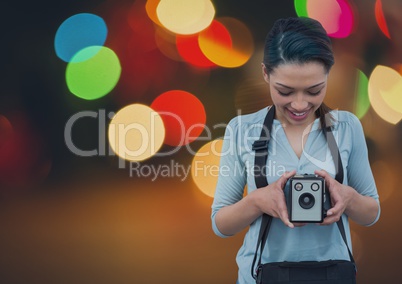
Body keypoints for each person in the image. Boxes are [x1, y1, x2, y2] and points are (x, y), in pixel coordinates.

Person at [211, 17, 380, 284]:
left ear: (328, 74)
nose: (300, 104)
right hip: (262, 275)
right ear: (265, 73)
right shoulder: (242, 129)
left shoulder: (347, 127)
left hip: (333, 274)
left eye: (314, 90)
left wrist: (348, 199)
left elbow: (371, 212)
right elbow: (221, 224)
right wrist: (257, 201)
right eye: (285, 91)